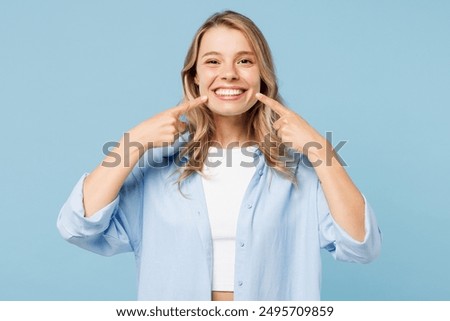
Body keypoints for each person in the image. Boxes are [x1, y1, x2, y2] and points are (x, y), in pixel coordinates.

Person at [57, 10, 381, 301]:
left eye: (244, 61)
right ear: (194, 76)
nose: (228, 74)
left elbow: (361, 246)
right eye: (213, 61)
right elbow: (77, 226)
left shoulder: (300, 174)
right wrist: (134, 141)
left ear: (262, 76)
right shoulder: (159, 172)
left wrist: (320, 150)